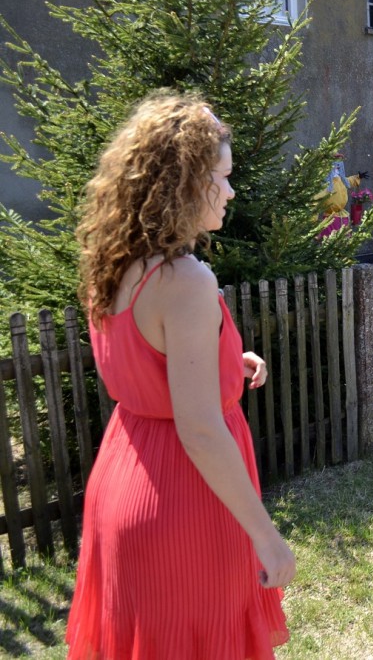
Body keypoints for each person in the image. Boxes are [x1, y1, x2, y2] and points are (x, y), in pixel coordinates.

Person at [67, 92, 295, 658]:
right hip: (182, 502)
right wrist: (267, 536)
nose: (231, 191)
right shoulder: (185, 280)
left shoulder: (114, 263)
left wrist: (226, 363)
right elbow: (198, 429)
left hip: (124, 478)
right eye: (223, 176)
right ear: (186, 183)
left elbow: (143, 361)